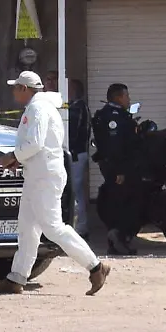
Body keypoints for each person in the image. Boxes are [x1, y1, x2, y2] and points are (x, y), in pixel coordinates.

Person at [0, 71, 109, 295]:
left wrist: (13, 157)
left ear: (25, 89)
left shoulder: (37, 108)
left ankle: (95, 266)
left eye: (16, 86)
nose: (13, 90)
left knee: (53, 227)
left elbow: (34, 143)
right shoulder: (39, 107)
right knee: (27, 228)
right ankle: (16, 277)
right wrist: (18, 158)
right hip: (38, 174)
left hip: (43, 177)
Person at [91, 83, 141, 255]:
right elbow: (115, 145)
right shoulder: (114, 117)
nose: (129, 99)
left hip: (112, 164)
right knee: (124, 202)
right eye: (126, 96)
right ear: (118, 97)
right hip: (117, 166)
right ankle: (119, 236)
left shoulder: (106, 114)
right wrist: (120, 170)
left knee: (116, 200)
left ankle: (115, 239)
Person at [66, 79, 91, 237]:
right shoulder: (74, 107)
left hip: (76, 155)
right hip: (76, 154)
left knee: (75, 191)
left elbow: (72, 133)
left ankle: (80, 227)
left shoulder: (78, 108)